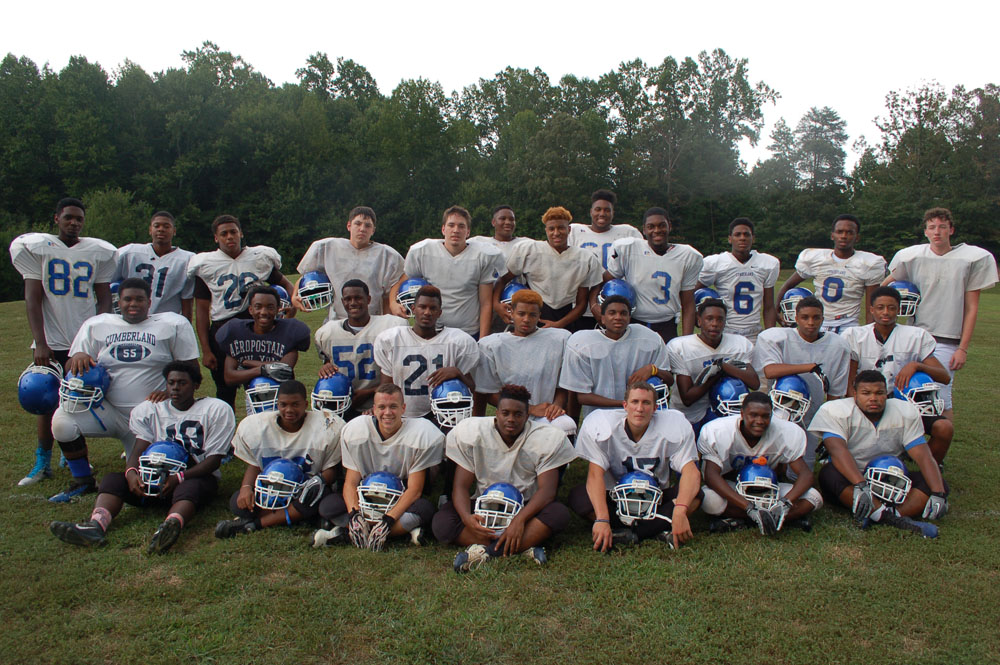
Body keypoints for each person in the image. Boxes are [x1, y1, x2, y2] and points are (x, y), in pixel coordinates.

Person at [49, 362, 235, 553]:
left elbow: (213, 461)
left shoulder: (215, 409)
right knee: (113, 480)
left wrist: (179, 477)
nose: (175, 388)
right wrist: (131, 473)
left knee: (191, 487)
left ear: (196, 385)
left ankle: (170, 526)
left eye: (182, 383)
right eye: (171, 383)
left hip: (191, 477)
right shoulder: (151, 410)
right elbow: (138, 449)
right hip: (152, 479)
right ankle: (95, 525)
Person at [48, 278, 200, 502]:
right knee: (62, 423)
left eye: (139, 299)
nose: (133, 304)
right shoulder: (97, 325)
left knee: (145, 478)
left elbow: (193, 372)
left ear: (149, 302)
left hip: (151, 416)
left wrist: (170, 392)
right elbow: (73, 368)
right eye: (127, 299)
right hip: (108, 410)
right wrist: (78, 356)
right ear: (119, 301)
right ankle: (83, 480)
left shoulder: (172, 324)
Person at [10, 197, 117, 486]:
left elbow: (104, 295)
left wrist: (100, 330)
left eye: (79, 218)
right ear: (56, 218)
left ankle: (71, 455)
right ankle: (42, 461)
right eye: (69, 217)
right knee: (44, 401)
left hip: (82, 342)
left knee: (79, 399)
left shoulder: (97, 251)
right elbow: (32, 299)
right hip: (52, 339)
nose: (74, 223)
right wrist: (40, 342)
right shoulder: (39, 249)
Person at [432, 385, 577, 572]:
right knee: (442, 523)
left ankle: (486, 552)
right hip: (484, 504)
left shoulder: (545, 437)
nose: (511, 419)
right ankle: (523, 545)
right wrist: (467, 518)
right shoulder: (474, 433)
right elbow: (460, 486)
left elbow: (547, 491)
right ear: (496, 413)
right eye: (505, 413)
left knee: (558, 514)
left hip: (526, 504)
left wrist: (520, 521)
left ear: (527, 416)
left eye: (518, 414)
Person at [882, 207, 998, 422]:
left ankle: (938, 450)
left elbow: (972, 307)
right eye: (932, 227)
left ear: (951, 230)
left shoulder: (969, 258)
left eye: (942, 227)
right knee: (900, 392)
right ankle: (904, 444)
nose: (937, 232)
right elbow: (887, 285)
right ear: (925, 231)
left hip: (946, 338)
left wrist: (962, 348)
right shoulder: (913, 256)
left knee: (940, 398)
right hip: (914, 335)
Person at [809, 370, 948, 535]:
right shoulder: (835, 411)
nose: (873, 398)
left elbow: (923, 456)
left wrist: (938, 492)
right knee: (829, 475)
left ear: (886, 394)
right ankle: (892, 518)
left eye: (879, 393)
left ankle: (881, 514)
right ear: (854, 393)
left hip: (892, 476)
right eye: (866, 393)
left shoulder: (904, 412)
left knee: (936, 482)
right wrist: (861, 485)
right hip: (853, 476)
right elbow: (837, 451)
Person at [570, 381, 702, 550]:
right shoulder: (603, 426)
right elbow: (595, 475)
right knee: (579, 496)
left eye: (646, 403)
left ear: (655, 408)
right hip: (615, 498)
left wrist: (680, 510)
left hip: (656, 499)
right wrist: (602, 518)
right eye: (635, 402)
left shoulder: (673, 425)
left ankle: (627, 533)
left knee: (696, 494)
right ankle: (656, 528)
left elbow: (691, 472)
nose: (640, 408)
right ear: (625, 405)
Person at [312, 383, 444, 549]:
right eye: (382, 407)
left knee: (424, 509)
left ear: (403, 408)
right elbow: (351, 482)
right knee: (328, 506)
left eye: (393, 407)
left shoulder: (420, 434)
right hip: (366, 497)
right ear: (373, 409)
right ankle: (396, 532)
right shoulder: (357, 432)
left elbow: (415, 490)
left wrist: (389, 520)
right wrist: (354, 515)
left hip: (399, 499)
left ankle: (349, 533)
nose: (387, 413)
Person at [186, 214, 295, 408]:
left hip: (258, 330)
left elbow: (287, 284)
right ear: (216, 238)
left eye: (233, 232)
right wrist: (206, 349)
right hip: (223, 330)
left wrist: (293, 305)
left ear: (241, 233)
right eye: (224, 233)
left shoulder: (258, 257)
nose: (229, 237)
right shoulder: (205, 264)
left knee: (264, 387)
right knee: (225, 390)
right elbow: (201, 311)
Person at [215, 380, 345, 538]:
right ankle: (296, 517)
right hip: (272, 489)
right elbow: (255, 463)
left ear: (305, 404)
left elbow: (331, 469)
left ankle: (256, 523)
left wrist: (316, 482)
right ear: (277, 404)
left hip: (305, 490)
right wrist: (246, 487)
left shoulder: (326, 426)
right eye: (283, 404)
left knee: (323, 501)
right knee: (239, 501)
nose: (289, 410)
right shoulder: (258, 427)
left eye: (295, 404)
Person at [842, 286, 953, 462]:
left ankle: (930, 465)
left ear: (899, 309)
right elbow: (850, 379)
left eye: (891, 307)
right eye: (880, 307)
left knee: (944, 427)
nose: (886, 312)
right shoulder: (855, 335)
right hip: (869, 401)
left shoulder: (915, 336)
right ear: (871, 310)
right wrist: (856, 404)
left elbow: (944, 376)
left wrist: (917, 365)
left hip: (905, 403)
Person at [698, 392, 823, 533]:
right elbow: (710, 476)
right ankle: (776, 520)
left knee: (813, 496)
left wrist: (785, 503)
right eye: (753, 415)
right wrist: (748, 507)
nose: (759, 421)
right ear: (742, 413)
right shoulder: (718, 431)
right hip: (734, 489)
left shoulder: (786, 432)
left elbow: (806, 475)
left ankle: (751, 519)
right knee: (708, 498)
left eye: (765, 416)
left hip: (769, 490)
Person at [754, 295, 850, 465]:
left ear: (823, 319)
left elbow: (835, 395)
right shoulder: (776, 338)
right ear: (796, 318)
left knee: (799, 471)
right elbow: (770, 371)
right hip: (781, 407)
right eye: (805, 317)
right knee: (771, 461)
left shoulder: (838, 346)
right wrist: (809, 367)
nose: (810, 323)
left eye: (816, 317)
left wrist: (830, 427)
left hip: (812, 414)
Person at [389, 205, 503, 340]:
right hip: (432, 331)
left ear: (468, 232)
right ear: (443, 229)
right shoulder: (423, 251)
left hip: (468, 332)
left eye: (461, 226)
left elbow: (486, 303)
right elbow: (402, 281)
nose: (456, 230)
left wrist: (483, 340)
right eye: (451, 225)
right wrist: (392, 303)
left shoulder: (483, 256)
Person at [475, 289, 576, 437]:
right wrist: (530, 409)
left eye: (532, 315)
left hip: (545, 413)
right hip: (510, 415)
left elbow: (562, 385)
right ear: (511, 312)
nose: (526, 319)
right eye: (521, 314)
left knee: (566, 426)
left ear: (539, 316)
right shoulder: (492, 344)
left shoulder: (558, 339)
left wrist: (556, 406)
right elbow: (488, 391)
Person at [374, 286, 478, 421]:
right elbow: (386, 388)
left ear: (439, 312)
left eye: (433, 308)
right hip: (404, 415)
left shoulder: (456, 341)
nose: (427, 312)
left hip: (443, 416)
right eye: (422, 307)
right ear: (413, 308)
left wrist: (457, 372)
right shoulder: (393, 339)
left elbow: (472, 388)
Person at [559, 295, 671, 420]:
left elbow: (669, 380)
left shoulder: (650, 338)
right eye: (612, 313)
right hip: (600, 417)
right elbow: (582, 396)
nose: (618, 317)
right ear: (602, 318)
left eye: (623, 313)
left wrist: (653, 369)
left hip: (640, 416)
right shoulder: (582, 343)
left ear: (629, 318)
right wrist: (625, 404)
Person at [492, 206, 603, 331]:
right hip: (534, 314)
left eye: (561, 228)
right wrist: (496, 305)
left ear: (569, 229)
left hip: (566, 316)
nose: (556, 233)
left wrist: (559, 324)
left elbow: (581, 303)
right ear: (546, 230)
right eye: (551, 229)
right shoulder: (529, 250)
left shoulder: (584, 258)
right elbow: (503, 279)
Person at [603, 207, 703, 342]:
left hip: (666, 324)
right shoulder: (628, 248)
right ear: (644, 230)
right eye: (651, 227)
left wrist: (686, 341)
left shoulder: (688, 256)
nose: (656, 230)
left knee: (664, 363)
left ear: (669, 226)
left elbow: (688, 302)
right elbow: (606, 280)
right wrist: (594, 305)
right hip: (633, 323)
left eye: (662, 225)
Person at [776, 214, 886, 333]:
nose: (844, 236)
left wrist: (870, 333)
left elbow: (872, 305)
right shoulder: (816, 259)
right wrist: (776, 309)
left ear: (857, 237)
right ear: (832, 235)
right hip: (819, 322)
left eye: (849, 232)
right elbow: (787, 285)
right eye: (840, 232)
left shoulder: (868, 263)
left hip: (848, 324)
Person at [666, 298, 759, 437]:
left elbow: (754, 383)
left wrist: (723, 367)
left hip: (726, 408)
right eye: (709, 319)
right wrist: (716, 375)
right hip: (688, 414)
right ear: (699, 320)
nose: (715, 324)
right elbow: (687, 398)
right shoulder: (680, 347)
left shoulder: (739, 344)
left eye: (720, 319)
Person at [314, 280, 407, 418]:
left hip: (381, 401)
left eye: (358, 298)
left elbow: (400, 373)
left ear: (368, 299)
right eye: (348, 299)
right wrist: (326, 368)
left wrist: (371, 392)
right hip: (340, 402)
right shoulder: (327, 332)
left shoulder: (390, 326)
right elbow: (328, 362)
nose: (353, 303)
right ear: (342, 301)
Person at [295, 206, 404, 320]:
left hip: (372, 320)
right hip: (337, 320)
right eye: (358, 223)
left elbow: (397, 283)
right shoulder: (327, 247)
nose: (362, 229)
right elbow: (307, 276)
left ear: (373, 230)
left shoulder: (387, 254)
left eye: (367, 225)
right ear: (349, 226)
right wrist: (294, 296)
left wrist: (388, 315)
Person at [215, 285, 311, 399]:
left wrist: (247, 363)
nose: (264, 312)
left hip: (283, 398)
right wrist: (263, 370)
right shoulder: (235, 331)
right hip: (253, 396)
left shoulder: (290, 331)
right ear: (250, 309)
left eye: (270, 307)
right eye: (258, 307)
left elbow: (284, 371)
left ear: (277, 309)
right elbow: (229, 377)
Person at [697, 217, 779, 341]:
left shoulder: (767, 263)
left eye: (747, 234)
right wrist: (696, 319)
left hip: (754, 334)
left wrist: (769, 338)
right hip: (725, 333)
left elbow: (768, 306)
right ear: (730, 239)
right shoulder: (716, 263)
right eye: (737, 234)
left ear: (753, 238)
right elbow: (690, 293)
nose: (742, 238)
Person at [114, 211, 195, 319]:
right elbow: (106, 280)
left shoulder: (187, 259)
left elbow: (187, 300)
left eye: (166, 226)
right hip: (132, 318)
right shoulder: (130, 252)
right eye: (157, 226)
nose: (161, 229)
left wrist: (186, 326)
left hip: (165, 320)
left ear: (174, 231)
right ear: (150, 230)